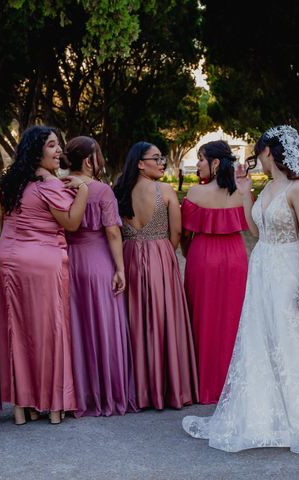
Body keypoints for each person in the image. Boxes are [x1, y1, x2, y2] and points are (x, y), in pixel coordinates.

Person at [182, 125, 299, 455]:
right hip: (263, 267)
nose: (257, 157)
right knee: (260, 337)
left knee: (288, 336)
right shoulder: (267, 188)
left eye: (260, 151)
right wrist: (242, 193)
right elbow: (255, 230)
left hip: (288, 269)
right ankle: (264, 414)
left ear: (271, 152)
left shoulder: (298, 189)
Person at [0, 125, 89, 425]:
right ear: (38, 152)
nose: (58, 150)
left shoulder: (13, 183)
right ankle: (55, 404)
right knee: (50, 332)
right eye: (51, 145)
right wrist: (83, 191)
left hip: (7, 261)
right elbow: (72, 223)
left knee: (16, 332)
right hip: (40, 262)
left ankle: (24, 407)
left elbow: (4, 219)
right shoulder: (50, 184)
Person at [114, 142, 198, 409]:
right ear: (140, 163)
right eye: (156, 158)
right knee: (163, 319)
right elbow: (177, 233)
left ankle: (138, 389)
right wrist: (162, 252)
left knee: (135, 320)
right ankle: (167, 388)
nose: (162, 162)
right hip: (160, 255)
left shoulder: (119, 192)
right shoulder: (165, 191)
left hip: (129, 255)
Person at [62, 136, 138, 417]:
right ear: (88, 160)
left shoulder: (58, 186)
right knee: (105, 324)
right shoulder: (101, 190)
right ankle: (109, 394)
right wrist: (120, 268)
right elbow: (113, 232)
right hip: (97, 261)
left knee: (77, 327)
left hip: (69, 259)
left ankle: (81, 395)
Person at [181, 140, 248, 404]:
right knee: (234, 318)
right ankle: (233, 383)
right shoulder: (242, 192)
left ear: (215, 163)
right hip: (236, 257)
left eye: (200, 159)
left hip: (203, 257)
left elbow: (184, 234)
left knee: (203, 317)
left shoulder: (195, 194)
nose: (197, 164)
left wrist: (190, 253)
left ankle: (204, 385)